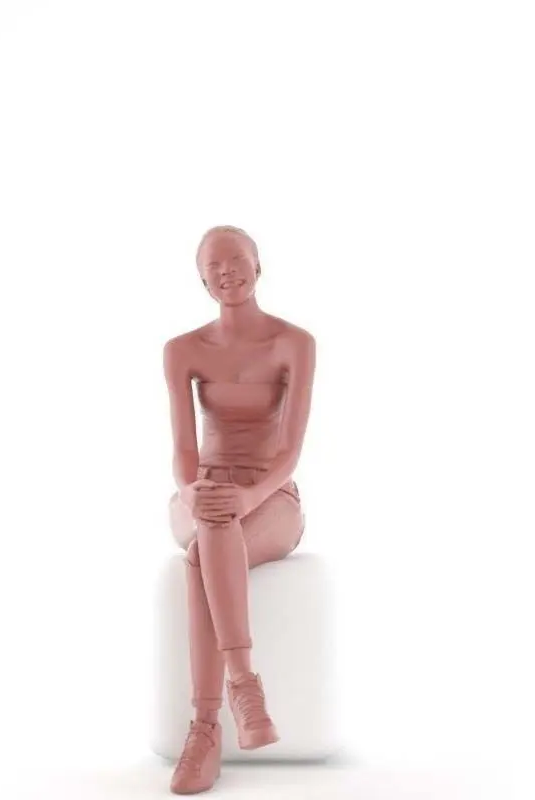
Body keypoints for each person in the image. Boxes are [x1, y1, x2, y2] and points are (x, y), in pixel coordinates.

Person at [163, 225, 316, 794]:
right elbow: (184, 450)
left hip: (270, 497)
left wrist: (250, 495)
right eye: (214, 265)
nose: (227, 271)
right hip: (201, 494)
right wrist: (189, 490)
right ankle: (244, 688)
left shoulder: (294, 342)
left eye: (236, 260)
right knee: (211, 522)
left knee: (205, 550)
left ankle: (205, 730)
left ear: (258, 266)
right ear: (202, 281)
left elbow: (290, 451)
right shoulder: (182, 350)